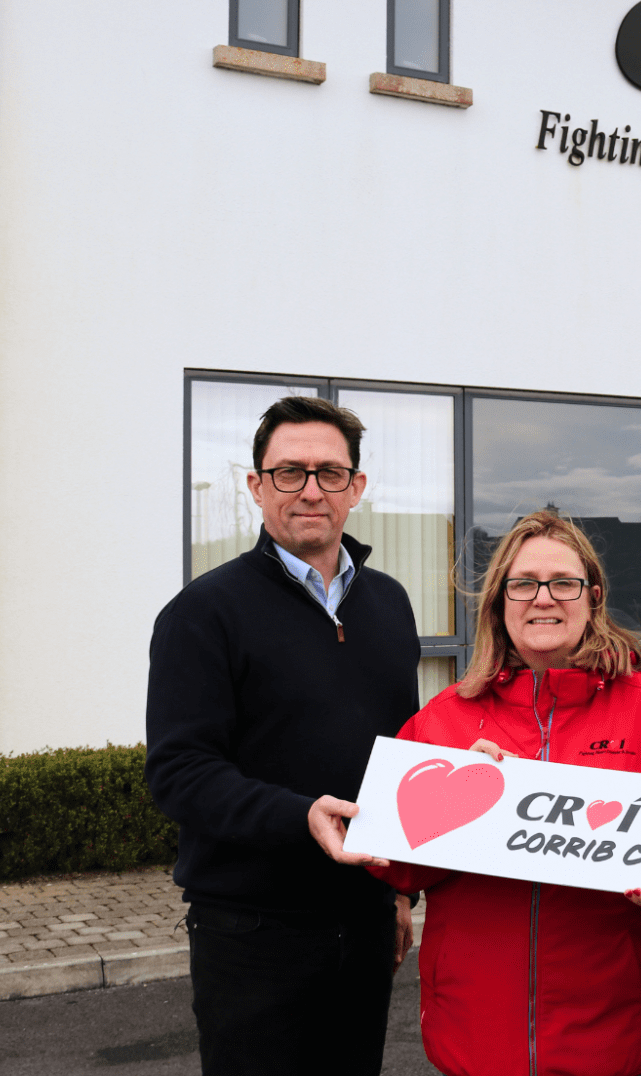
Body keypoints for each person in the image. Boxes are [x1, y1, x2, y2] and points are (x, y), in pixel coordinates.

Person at [343, 509, 641, 1076]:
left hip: (605, 1032)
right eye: (523, 584)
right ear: (499, 602)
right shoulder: (443, 720)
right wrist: (452, 807)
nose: (544, 599)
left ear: (592, 596)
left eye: (563, 583)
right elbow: (399, 867)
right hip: (471, 1033)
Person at [144, 395, 421, 1076]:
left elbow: (402, 754)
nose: (309, 490)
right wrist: (298, 815)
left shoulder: (389, 603)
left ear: (356, 487)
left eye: (329, 472)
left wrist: (400, 891)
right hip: (251, 931)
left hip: (363, 918)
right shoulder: (204, 612)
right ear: (256, 485)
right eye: (289, 471)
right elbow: (178, 771)